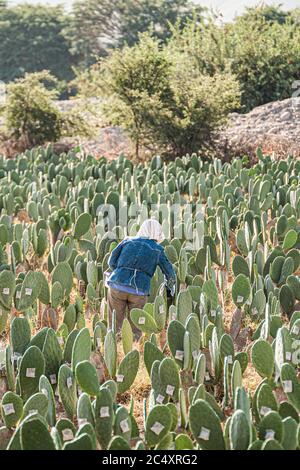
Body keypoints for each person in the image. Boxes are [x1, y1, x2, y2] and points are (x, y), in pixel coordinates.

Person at [106, 219, 176, 337]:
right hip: (139, 290)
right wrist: (169, 290)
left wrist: (120, 274)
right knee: (136, 326)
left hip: (117, 286)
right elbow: (170, 273)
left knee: (115, 324)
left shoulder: (127, 241)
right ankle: (135, 348)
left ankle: (113, 349)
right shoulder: (158, 250)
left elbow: (111, 261)